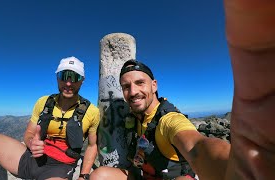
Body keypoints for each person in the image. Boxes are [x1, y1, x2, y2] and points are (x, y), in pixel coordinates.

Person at [91, 1, 275, 179]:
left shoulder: (169, 120)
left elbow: (196, 147)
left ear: (154, 85)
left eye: (140, 83)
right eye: (126, 87)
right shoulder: (134, 117)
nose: (133, 92)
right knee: (100, 175)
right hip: (141, 175)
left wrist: (233, 168)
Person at [0, 56, 100, 180]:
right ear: (57, 78)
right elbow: (29, 133)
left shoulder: (91, 111)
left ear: (82, 80)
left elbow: (92, 146)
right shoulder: (44, 102)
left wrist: (83, 176)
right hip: (31, 157)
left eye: (75, 77)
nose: (68, 83)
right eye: (63, 76)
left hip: (60, 167)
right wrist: (31, 143)